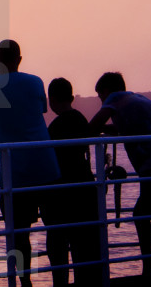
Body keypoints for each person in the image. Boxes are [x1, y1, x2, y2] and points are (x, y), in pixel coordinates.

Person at [0, 40, 60, 287]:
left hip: (14, 173)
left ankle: (25, 282)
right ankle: (60, 279)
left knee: (19, 235)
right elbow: (41, 108)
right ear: (19, 59)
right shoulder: (35, 82)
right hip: (47, 166)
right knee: (56, 230)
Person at [87, 72, 151, 280]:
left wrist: (86, 131)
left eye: (100, 96)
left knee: (142, 215)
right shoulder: (137, 99)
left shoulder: (115, 99)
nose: (101, 101)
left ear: (107, 91)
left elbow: (92, 127)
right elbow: (126, 127)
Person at [46, 77, 103, 287]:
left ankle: (60, 283)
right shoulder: (80, 119)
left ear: (51, 99)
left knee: (57, 244)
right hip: (83, 187)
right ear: (71, 97)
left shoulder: (55, 127)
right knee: (85, 247)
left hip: (62, 190)